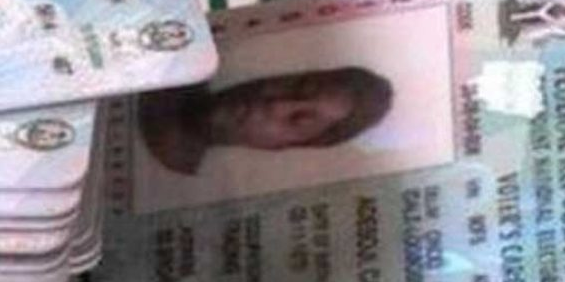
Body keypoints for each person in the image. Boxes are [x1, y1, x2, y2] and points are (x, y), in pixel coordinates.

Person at [138, 67, 394, 176]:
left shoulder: (175, 176)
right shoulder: (175, 64)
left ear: (281, 146)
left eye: (298, 120)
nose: (276, 105)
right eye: (296, 87)